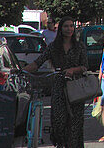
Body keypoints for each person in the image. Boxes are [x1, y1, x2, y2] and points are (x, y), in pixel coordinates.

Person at [25, 16, 88, 148]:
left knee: (75, 124)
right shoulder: (54, 46)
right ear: (61, 29)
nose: (69, 29)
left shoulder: (79, 46)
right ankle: (61, 144)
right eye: (66, 26)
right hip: (59, 86)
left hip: (76, 87)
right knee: (59, 122)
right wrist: (21, 70)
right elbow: (38, 62)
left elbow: (84, 67)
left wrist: (73, 70)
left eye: (71, 26)